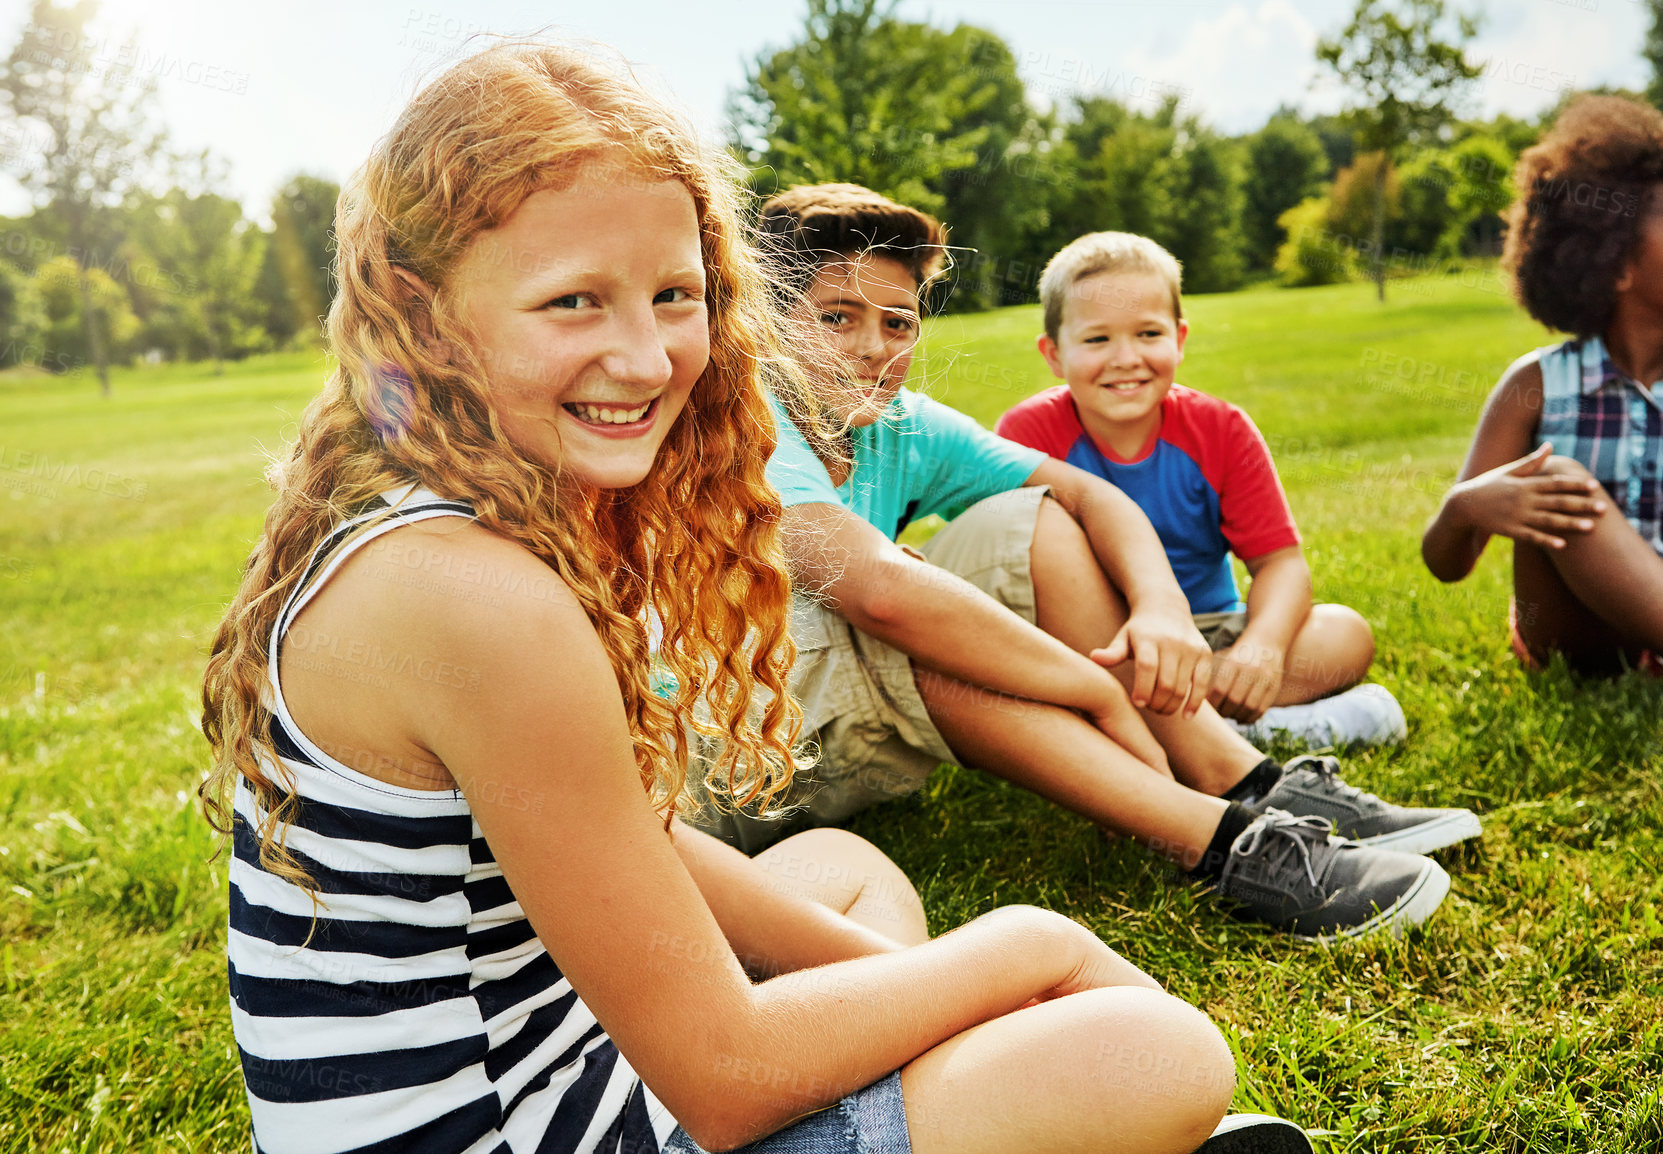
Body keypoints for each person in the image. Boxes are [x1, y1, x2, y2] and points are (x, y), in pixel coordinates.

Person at [197, 41, 1317, 1154]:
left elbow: (645, 844)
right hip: (542, 1127)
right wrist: (1027, 954)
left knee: (846, 873)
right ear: (424, 312)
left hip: (568, 1058)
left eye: (675, 294)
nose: (643, 358)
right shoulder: (475, 597)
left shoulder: (451, 516)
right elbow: (726, 1079)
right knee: (1154, 1053)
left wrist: (941, 993)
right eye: (573, 300)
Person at [687, 182, 1479, 944]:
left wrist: (1162, 609)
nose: (873, 348)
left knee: (1032, 516)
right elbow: (884, 596)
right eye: (836, 317)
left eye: (899, 322)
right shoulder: (746, 425)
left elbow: (1094, 499)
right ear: (766, 320)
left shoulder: (903, 423)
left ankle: (1233, 772)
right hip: (716, 764)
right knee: (916, 617)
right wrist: (1095, 689)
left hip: (820, 715)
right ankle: (1220, 841)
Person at [996, 231, 1406, 750]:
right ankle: (1240, 734)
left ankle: (1184, 727)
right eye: (1097, 340)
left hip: (1207, 636)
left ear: (1180, 339)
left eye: (1148, 334)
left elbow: (1281, 563)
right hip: (1091, 646)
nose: (1126, 358)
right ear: (1054, 354)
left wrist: (1261, 648)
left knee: (1342, 634)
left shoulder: (1221, 430)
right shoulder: (1026, 434)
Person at [1421, 95, 1663, 708]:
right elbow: (1445, 562)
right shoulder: (1535, 385)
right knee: (1560, 481)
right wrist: (1466, 509)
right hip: (1579, 635)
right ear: (1615, 265)